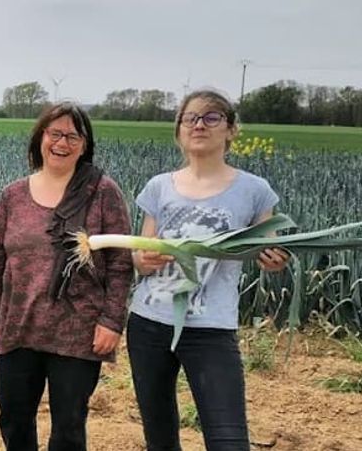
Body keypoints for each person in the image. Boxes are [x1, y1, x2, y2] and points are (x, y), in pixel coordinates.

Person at [128, 89, 290, 451]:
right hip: (149, 324)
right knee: (160, 435)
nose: (199, 124)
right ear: (180, 130)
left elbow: (273, 247)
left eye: (212, 117)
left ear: (231, 130)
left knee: (228, 439)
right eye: (190, 118)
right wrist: (143, 260)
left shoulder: (254, 190)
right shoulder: (159, 187)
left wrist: (275, 260)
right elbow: (141, 254)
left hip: (211, 328)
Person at [0, 103, 134, 450]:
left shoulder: (102, 192)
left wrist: (111, 321)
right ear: (41, 137)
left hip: (78, 332)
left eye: (73, 136)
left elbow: (121, 264)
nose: (62, 143)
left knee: (68, 426)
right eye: (55, 133)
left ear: (84, 144)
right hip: (19, 325)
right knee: (14, 418)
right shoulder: (13, 195)